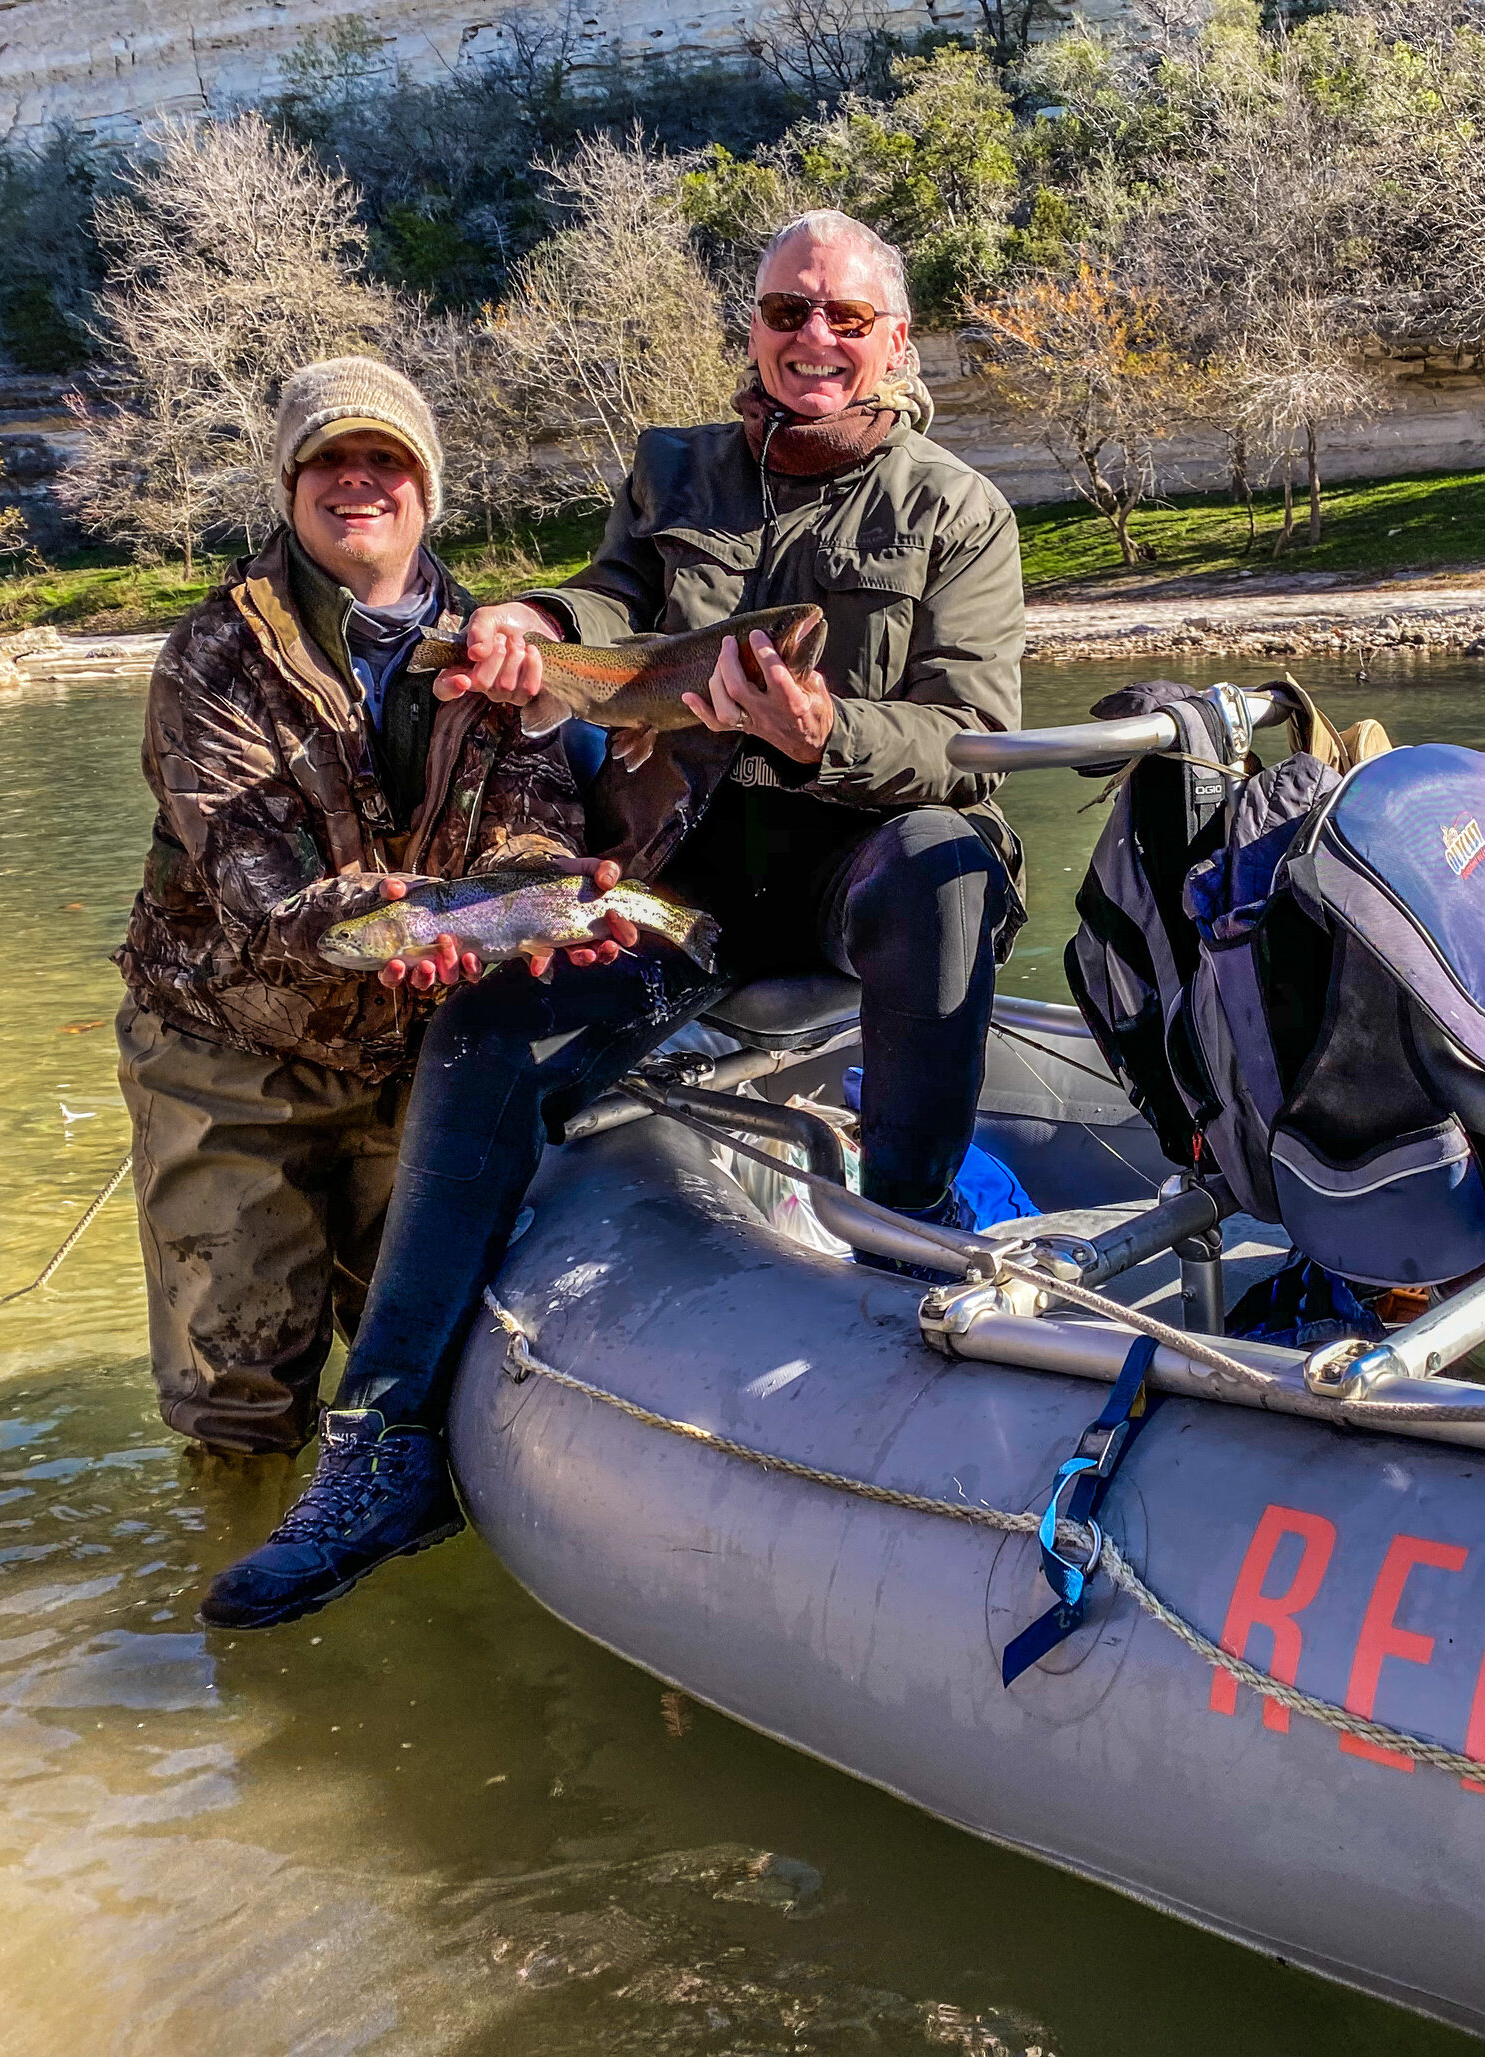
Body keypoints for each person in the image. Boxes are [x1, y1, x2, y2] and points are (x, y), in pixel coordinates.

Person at [198, 210, 1026, 1631]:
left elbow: (972, 736)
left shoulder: (959, 512)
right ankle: (383, 1445)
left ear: (894, 338)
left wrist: (826, 734)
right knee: (483, 1023)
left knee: (949, 858)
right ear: (752, 331)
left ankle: (907, 1235)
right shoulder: (673, 468)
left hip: (861, 870)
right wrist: (531, 613)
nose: (810, 337)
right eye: (783, 312)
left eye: (842, 315)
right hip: (687, 869)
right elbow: (616, 596)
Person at [114, 357, 624, 1474]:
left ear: (426, 488)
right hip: (227, 1050)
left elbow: (528, 825)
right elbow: (261, 894)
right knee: (239, 1393)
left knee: (417, 1358)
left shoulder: (500, 650)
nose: (358, 482)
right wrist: (387, 919)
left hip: (415, 1052)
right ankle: (238, 1586)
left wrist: (548, 902)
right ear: (290, 487)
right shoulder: (214, 654)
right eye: (329, 460)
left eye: (384, 459)